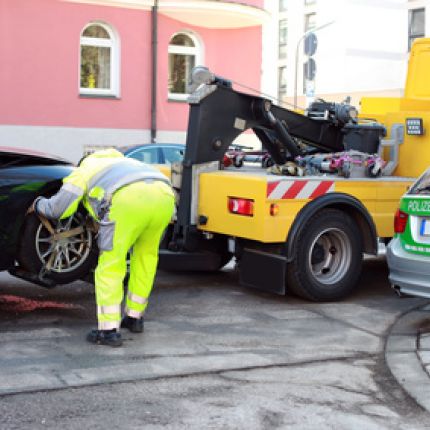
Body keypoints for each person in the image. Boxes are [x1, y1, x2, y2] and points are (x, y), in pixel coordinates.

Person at [32, 148, 175, 347]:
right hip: (164, 197)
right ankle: (134, 318)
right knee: (146, 259)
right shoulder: (126, 163)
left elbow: (59, 209)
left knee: (111, 265)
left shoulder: (85, 169)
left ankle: (108, 331)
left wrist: (38, 204)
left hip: (128, 201)